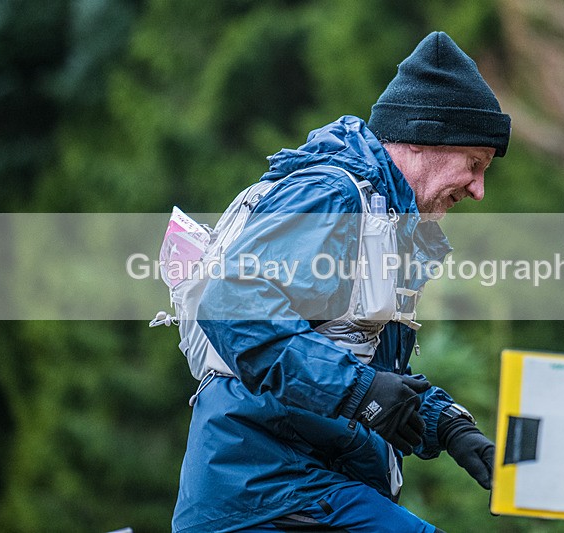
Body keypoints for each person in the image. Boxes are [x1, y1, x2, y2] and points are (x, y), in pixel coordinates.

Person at [172, 31, 511, 533]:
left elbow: (362, 365)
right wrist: (362, 393)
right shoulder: (335, 195)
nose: (479, 190)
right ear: (425, 136)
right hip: (267, 493)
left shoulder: (383, 220)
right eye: (475, 165)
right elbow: (230, 302)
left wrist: (450, 426)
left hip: (301, 486)